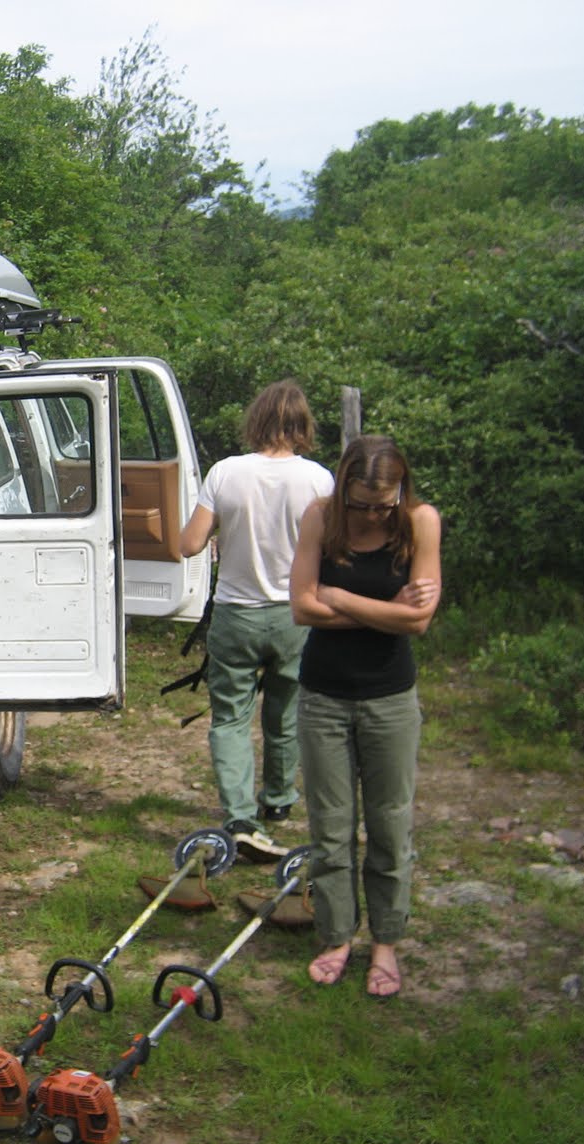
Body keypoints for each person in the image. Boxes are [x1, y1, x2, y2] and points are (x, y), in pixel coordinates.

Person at [290, 434, 441, 999]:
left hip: (390, 700)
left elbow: (419, 621)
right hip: (323, 697)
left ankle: (386, 940)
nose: (373, 513)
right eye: (362, 503)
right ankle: (336, 936)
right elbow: (302, 605)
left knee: (390, 823)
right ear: (344, 485)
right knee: (330, 826)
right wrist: (386, 611)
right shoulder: (320, 518)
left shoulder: (420, 521)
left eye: (383, 503)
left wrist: (342, 597)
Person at [179, 380, 335, 862]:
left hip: (236, 614)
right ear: (302, 424)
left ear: (256, 420)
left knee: (230, 717)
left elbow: (188, 544)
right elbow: (331, 550)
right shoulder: (319, 481)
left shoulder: (225, 473)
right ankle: (279, 803)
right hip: (296, 616)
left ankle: (239, 816)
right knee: (285, 714)